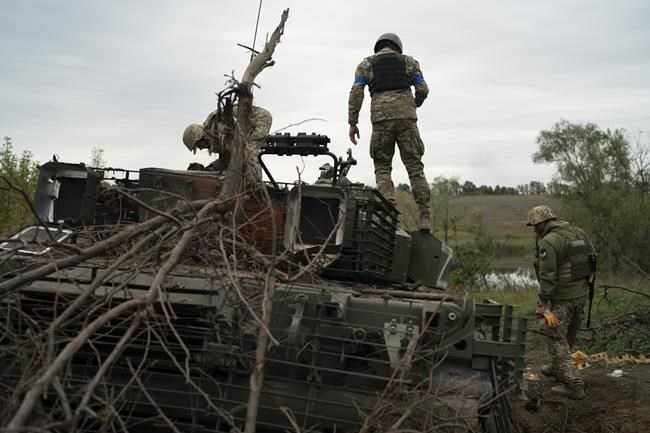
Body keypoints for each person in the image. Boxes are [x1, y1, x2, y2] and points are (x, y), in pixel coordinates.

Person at [347, 33, 432, 231]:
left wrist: (353, 122)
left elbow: (356, 92)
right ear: (397, 47)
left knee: (383, 166)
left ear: (378, 47)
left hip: (381, 120)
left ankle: (387, 213)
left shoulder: (365, 65)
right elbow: (423, 89)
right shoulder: (409, 62)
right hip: (406, 119)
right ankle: (425, 216)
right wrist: (415, 104)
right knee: (414, 167)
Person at [527, 205, 596, 400]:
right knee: (567, 336)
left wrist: (542, 303)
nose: (534, 230)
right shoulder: (578, 232)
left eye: (534, 226)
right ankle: (558, 369)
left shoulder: (549, 241)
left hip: (563, 299)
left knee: (555, 339)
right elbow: (593, 258)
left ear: (541, 223)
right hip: (581, 295)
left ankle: (574, 384)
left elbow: (548, 276)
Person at [182, 105, 272, 182]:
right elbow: (225, 157)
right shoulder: (212, 134)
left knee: (249, 151)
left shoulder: (217, 128)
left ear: (201, 137)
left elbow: (233, 149)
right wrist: (208, 169)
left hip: (260, 119)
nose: (201, 148)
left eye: (199, 145)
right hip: (247, 127)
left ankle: (255, 183)